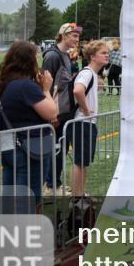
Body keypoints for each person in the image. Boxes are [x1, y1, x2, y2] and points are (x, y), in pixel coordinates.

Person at [0, 41, 58, 211]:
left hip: (6, 145)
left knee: (8, 196)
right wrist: (46, 89)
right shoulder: (26, 86)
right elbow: (52, 113)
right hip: (29, 149)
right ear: (29, 61)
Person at [42, 23, 82, 196]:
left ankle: (54, 183)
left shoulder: (65, 55)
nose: (77, 39)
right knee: (57, 149)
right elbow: (46, 86)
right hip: (56, 112)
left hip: (65, 110)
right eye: (73, 35)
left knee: (62, 149)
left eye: (78, 36)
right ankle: (51, 186)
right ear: (63, 35)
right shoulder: (52, 56)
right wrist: (51, 113)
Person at [69, 40, 109, 197]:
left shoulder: (92, 74)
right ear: (92, 57)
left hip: (86, 123)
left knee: (83, 162)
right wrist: (86, 110)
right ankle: (77, 196)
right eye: (103, 53)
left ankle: (80, 193)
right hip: (82, 123)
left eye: (107, 53)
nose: (107, 56)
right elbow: (78, 90)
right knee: (80, 162)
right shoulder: (86, 73)